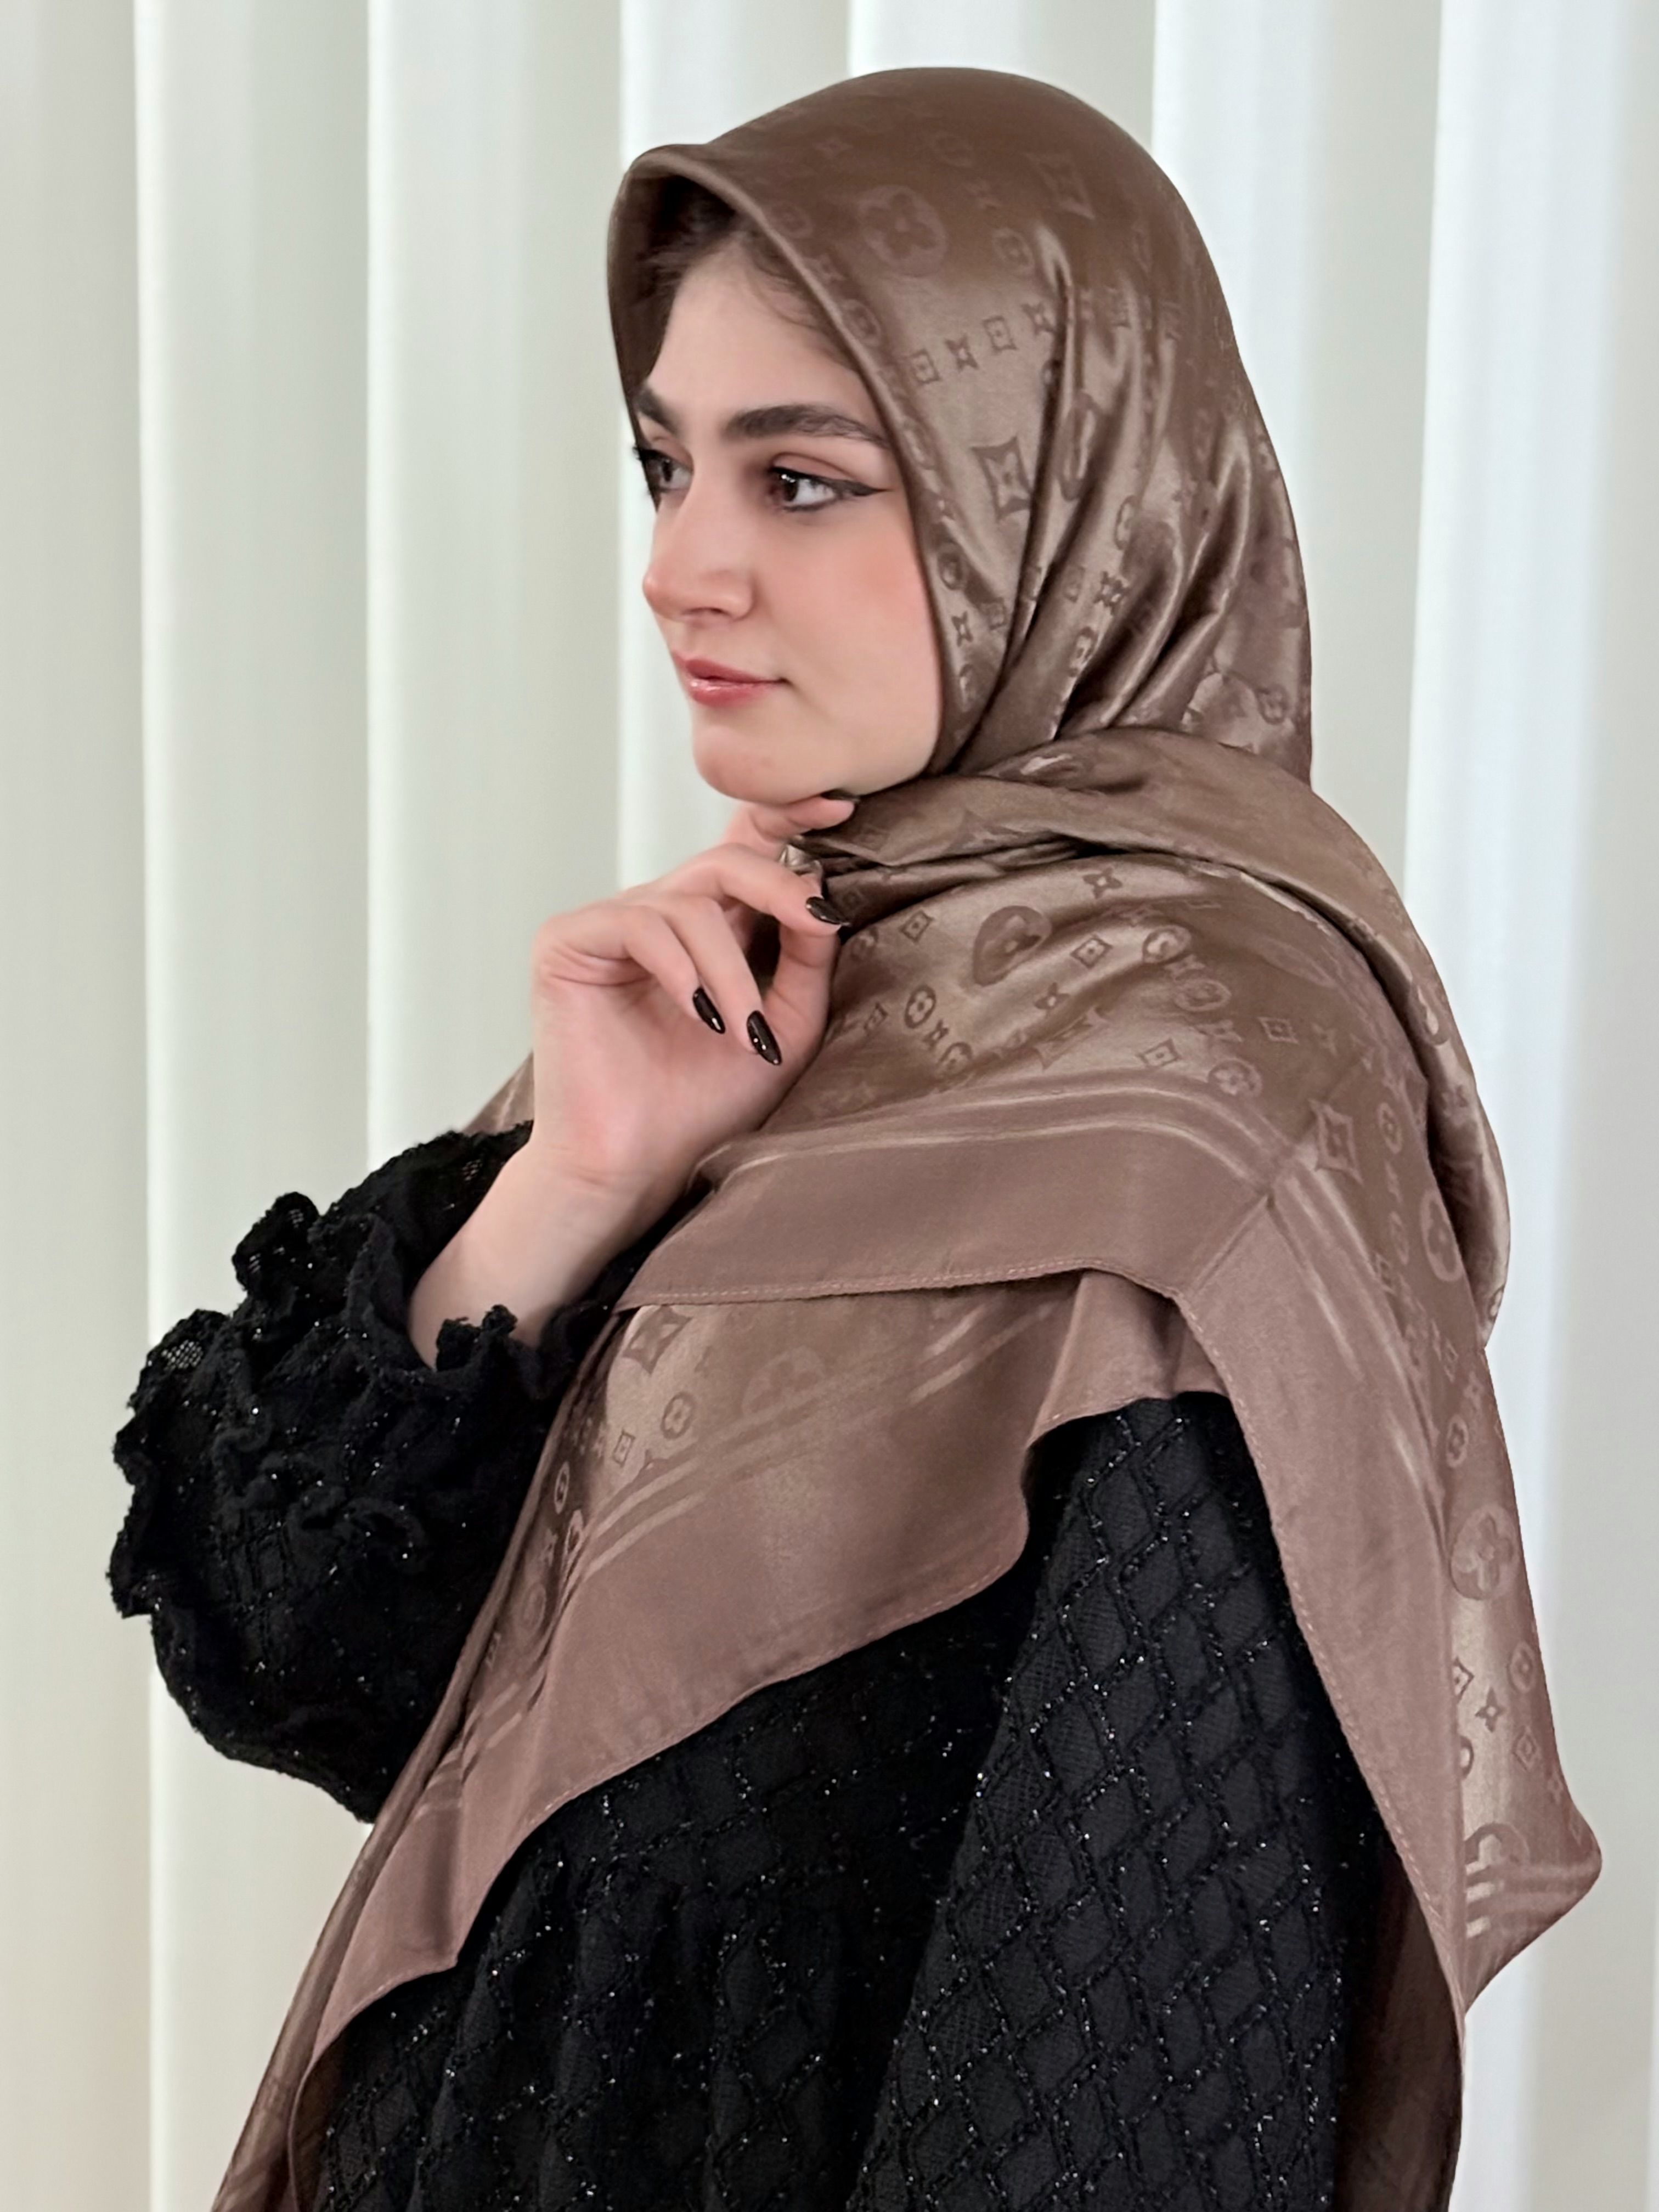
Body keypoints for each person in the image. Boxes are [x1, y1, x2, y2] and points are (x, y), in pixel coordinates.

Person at [110, 66, 1596, 2212]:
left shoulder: (1208, 1127)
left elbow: (1126, 2081)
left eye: (800, 479)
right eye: (665, 465)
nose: (679, 571)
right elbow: (297, 1663)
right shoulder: (784, 991)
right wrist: (575, 1183)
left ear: (1063, 495)